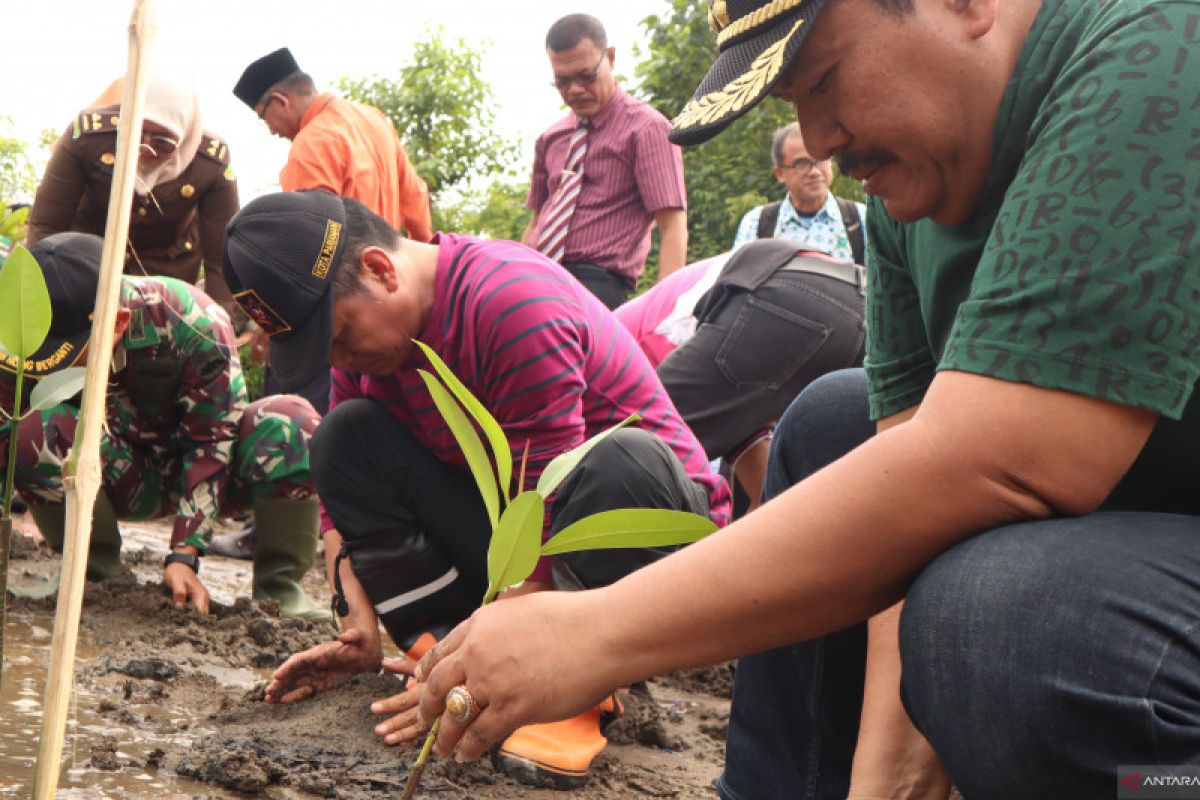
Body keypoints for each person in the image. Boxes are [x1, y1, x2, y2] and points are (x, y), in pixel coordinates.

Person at [406, 0, 1200, 798]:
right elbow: (913, 515)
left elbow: (1004, 464)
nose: (817, 141)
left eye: (826, 79)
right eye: (795, 106)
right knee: (831, 425)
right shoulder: (908, 198)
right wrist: (883, 784)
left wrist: (595, 632)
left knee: (1000, 621)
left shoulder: (1155, 50)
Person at [220, 189, 730, 788]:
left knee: (620, 456)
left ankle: (577, 687)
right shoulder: (366, 353)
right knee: (342, 434)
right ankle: (439, 647)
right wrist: (355, 626)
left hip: (644, 549)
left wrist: (490, 668)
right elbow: (339, 502)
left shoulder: (509, 300)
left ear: (380, 270)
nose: (340, 358)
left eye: (339, 336)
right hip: (519, 542)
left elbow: (539, 502)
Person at [0, 232, 327, 620]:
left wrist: (184, 555)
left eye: (71, 353)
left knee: (292, 422)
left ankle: (279, 591)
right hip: (116, 472)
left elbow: (214, 439)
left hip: (213, 474)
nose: (59, 368)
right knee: (30, 428)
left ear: (118, 321)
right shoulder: (11, 335)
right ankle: (89, 574)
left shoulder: (191, 319)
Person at [614, 238, 865, 510]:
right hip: (856, 297)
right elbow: (764, 491)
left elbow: (618, 464)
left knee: (622, 460)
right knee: (789, 505)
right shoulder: (731, 396)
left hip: (776, 294)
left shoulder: (623, 348)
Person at [27, 77, 241, 317]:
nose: (144, 149)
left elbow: (221, 258)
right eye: (136, 133)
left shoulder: (211, 162)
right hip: (85, 267)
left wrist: (220, 321)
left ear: (184, 140)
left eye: (163, 142)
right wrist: (40, 297)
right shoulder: (88, 134)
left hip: (165, 281)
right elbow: (46, 225)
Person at [521, 14, 688, 308]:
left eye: (585, 76)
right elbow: (535, 222)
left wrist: (664, 311)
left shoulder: (647, 129)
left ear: (610, 58)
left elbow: (672, 225)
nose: (574, 89)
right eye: (562, 81)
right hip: (535, 277)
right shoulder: (551, 137)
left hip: (595, 286)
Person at [233, 47, 432, 243]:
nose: (272, 131)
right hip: (392, 268)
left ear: (279, 100)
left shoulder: (310, 144)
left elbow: (311, 236)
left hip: (351, 273)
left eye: (264, 117)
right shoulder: (374, 118)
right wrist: (423, 256)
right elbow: (414, 196)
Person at [731, 122, 867, 264]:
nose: (814, 172)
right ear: (780, 173)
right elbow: (738, 281)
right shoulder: (757, 224)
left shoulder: (860, 220)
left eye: (820, 161)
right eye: (801, 164)